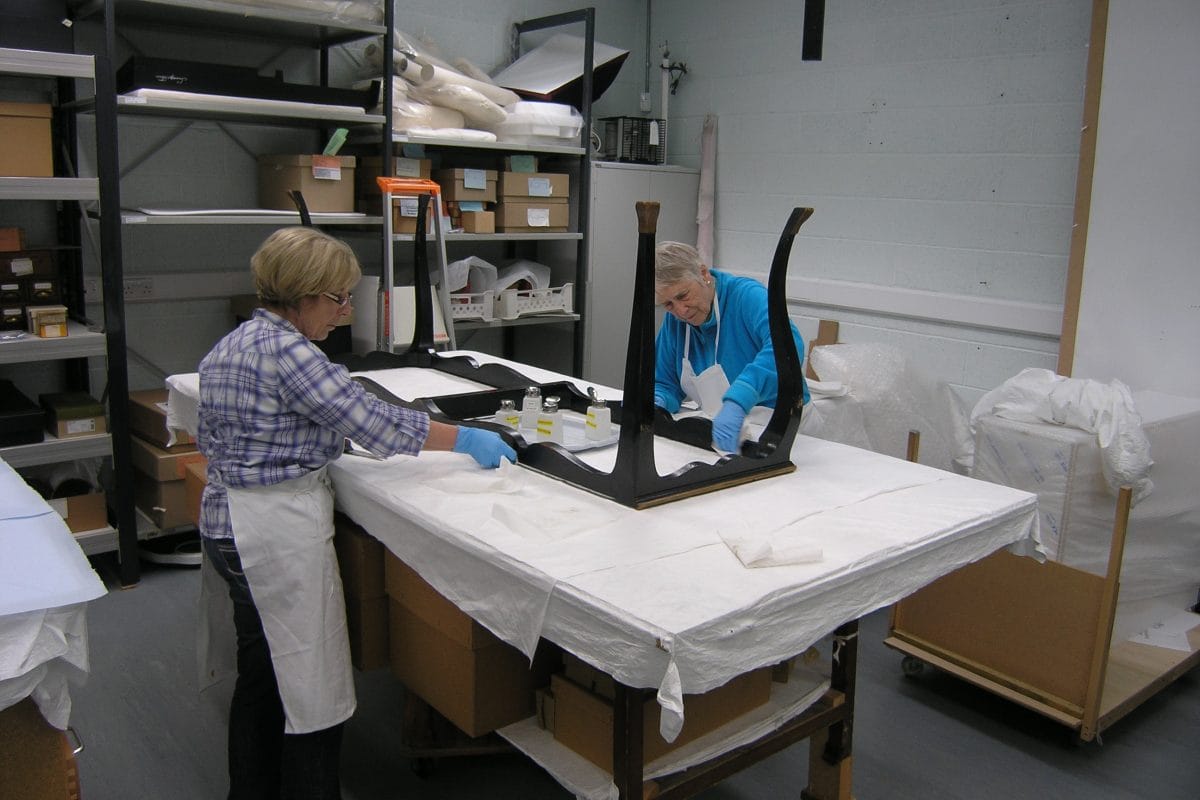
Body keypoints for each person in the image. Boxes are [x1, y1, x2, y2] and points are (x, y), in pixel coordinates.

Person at [195, 227, 514, 800]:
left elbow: (240, 431)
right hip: (273, 534)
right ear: (303, 295)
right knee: (311, 683)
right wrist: (465, 438)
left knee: (261, 674)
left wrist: (313, 437)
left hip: (226, 525)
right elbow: (374, 422)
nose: (345, 312)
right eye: (338, 298)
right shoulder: (291, 352)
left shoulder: (234, 343)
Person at [652, 241, 809, 452]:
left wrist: (740, 398)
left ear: (703, 274)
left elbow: (787, 346)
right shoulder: (676, 322)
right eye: (668, 304)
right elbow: (665, 381)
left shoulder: (747, 297)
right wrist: (656, 400)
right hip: (724, 434)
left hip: (786, 430)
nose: (681, 311)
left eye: (683, 296)